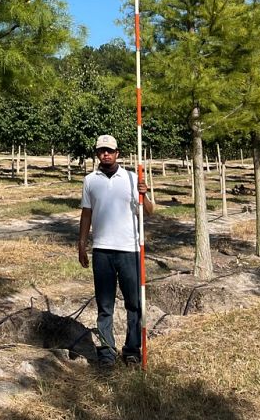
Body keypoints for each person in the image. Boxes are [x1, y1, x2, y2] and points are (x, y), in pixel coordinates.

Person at [77, 134, 153, 368]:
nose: (106, 154)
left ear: (118, 153)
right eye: (101, 151)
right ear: (97, 153)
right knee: (105, 305)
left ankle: (132, 350)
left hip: (129, 250)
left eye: (110, 150)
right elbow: (86, 213)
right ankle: (107, 351)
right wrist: (82, 244)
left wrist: (144, 193)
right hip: (102, 251)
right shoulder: (90, 181)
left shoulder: (132, 179)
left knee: (134, 304)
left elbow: (149, 211)